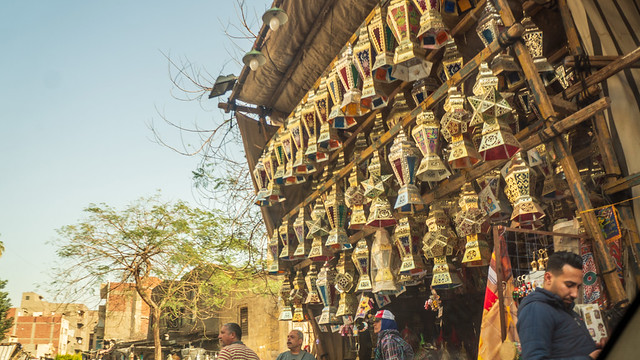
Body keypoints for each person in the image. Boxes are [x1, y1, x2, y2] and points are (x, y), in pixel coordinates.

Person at [517, 251, 603, 359]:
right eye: (569, 285)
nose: (575, 294)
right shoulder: (535, 310)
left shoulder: (562, 307)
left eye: (578, 287)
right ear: (548, 278)